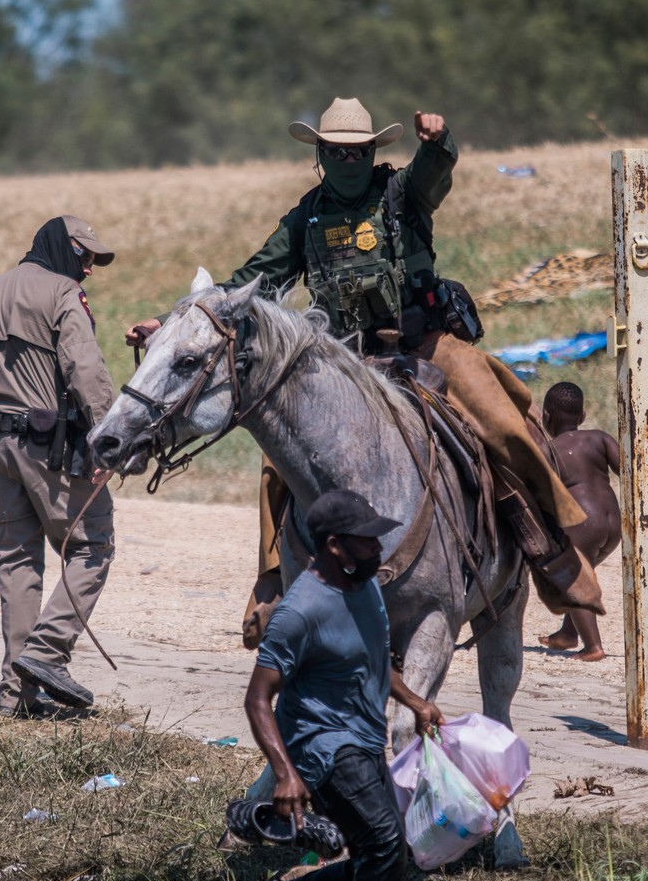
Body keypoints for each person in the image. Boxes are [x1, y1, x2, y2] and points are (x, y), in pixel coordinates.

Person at [125, 97, 602, 646]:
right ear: (320, 155)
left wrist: (439, 140)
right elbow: (252, 278)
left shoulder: (403, 191)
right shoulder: (305, 217)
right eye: (336, 151)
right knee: (277, 455)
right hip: (341, 360)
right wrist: (164, 324)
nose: (347, 159)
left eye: (358, 150)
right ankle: (274, 580)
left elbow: (435, 170)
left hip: (425, 346)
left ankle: (548, 548)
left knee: (501, 416)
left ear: (373, 151)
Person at [242, 489, 444, 881]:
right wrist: (285, 775)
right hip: (319, 747)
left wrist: (414, 701)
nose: (380, 548)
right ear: (334, 546)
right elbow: (258, 698)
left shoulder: (366, 586)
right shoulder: (300, 611)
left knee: (384, 858)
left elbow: (373, 659)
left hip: (363, 736)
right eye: (367, 540)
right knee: (381, 842)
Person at [0, 215, 117, 717]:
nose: (89, 268)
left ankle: (16, 698)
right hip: (48, 446)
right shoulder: (62, 293)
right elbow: (84, 368)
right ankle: (47, 654)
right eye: (85, 256)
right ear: (63, 248)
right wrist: (110, 439)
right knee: (93, 545)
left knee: (17, 564)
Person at [538, 382, 621, 661]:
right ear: (582, 416)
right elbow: (629, 469)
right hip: (613, 523)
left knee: (572, 580)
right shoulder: (599, 438)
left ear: (545, 417)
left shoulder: (549, 451)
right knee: (583, 571)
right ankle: (567, 635)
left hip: (583, 525)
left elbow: (544, 494)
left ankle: (593, 647)